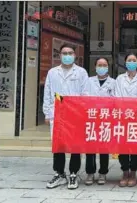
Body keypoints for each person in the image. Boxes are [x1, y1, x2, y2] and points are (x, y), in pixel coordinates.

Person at [44, 44, 89, 190]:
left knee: (75, 145)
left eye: (70, 53)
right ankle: (59, 174)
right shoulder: (52, 72)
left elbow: (85, 94)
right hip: (57, 114)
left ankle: (73, 173)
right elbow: (48, 94)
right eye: (64, 53)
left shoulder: (81, 72)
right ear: (59, 55)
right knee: (59, 146)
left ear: (75, 56)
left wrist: (82, 113)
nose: (67, 55)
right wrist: (47, 113)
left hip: (75, 115)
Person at [115, 53, 137, 187]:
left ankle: (133, 171)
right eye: (129, 60)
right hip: (122, 115)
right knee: (123, 144)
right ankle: (124, 171)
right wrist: (125, 108)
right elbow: (117, 96)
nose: (132, 62)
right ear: (125, 62)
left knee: (135, 145)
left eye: (134, 60)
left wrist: (133, 108)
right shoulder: (119, 78)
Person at [82, 57, 115, 186]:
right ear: (95, 67)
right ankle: (90, 172)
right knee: (90, 146)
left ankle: (103, 172)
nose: (102, 67)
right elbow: (84, 97)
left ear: (108, 67)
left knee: (104, 147)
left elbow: (115, 100)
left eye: (104, 65)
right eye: (99, 65)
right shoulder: (89, 81)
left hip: (106, 119)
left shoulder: (113, 82)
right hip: (91, 117)